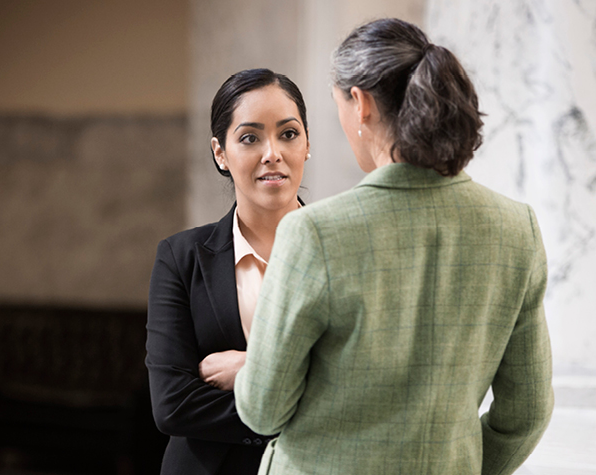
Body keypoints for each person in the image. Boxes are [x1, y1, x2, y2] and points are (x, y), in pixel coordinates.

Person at [235, 18, 554, 475]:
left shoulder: (314, 232)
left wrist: (249, 371)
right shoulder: (514, 229)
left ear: (360, 104)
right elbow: (527, 414)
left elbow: (263, 409)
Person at [146, 68, 311, 475]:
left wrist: (255, 368)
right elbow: (173, 405)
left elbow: (364, 385)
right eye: (250, 137)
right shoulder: (180, 257)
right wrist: (302, 410)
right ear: (220, 152)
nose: (272, 152)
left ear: (307, 144)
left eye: (288, 133)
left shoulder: (348, 251)